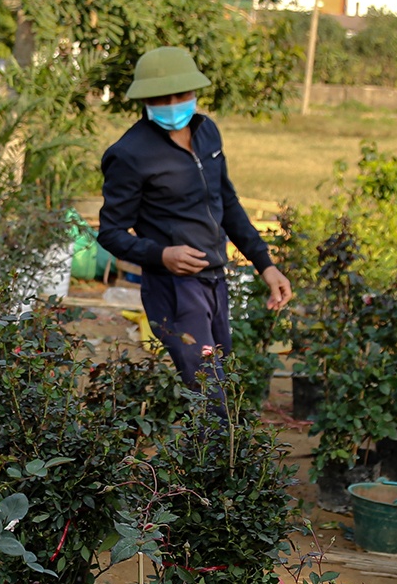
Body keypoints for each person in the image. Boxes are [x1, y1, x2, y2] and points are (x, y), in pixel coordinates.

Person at [95, 46, 291, 386]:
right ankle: (211, 441)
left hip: (216, 279)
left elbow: (226, 202)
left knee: (222, 382)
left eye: (181, 94)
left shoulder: (207, 132)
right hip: (174, 287)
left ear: (195, 91)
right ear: (144, 100)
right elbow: (110, 232)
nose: (173, 105)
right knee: (207, 390)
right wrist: (161, 254)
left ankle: (212, 442)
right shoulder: (129, 154)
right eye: (161, 98)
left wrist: (265, 264)